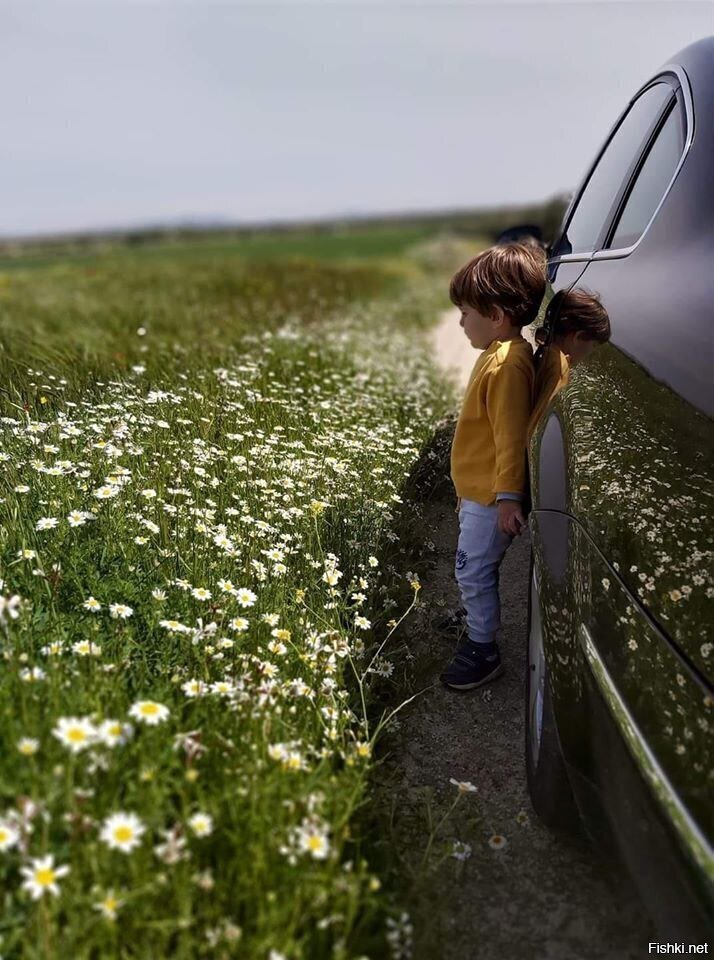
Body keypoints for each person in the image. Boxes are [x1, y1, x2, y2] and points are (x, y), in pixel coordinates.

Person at [440, 242, 545, 691]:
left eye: (466, 312)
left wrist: (507, 498)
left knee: (472, 568)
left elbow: (509, 436)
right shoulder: (501, 353)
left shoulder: (507, 366)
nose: (461, 321)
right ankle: (474, 612)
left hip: (489, 498)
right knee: (474, 566)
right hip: (478, 491)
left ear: (497, 314)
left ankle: (482, 646)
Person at [527, 286, 611, 441]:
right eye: (593, 346)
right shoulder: (559, 368)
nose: (590, 353)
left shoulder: (547, 352)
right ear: (577, 337)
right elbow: (536, 428)